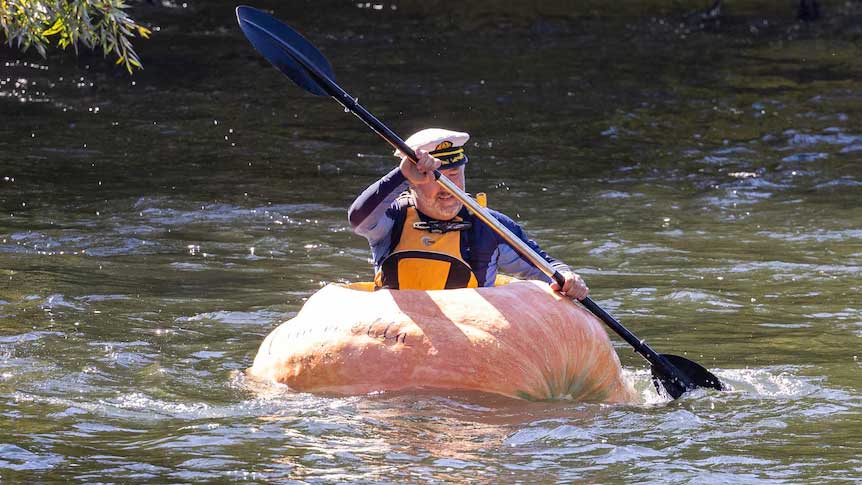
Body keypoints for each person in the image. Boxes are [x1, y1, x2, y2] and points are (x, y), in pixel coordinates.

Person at [347, 128, 589, 299]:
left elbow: (544, 267)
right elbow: (358, 219)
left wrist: (568, 277)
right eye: (436, 179)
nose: (447, 190)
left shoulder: (489, 226)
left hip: (469, 340)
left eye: (454, 177)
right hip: (398, 335)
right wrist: (400, 175)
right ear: (413, 182)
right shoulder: (393, 219)